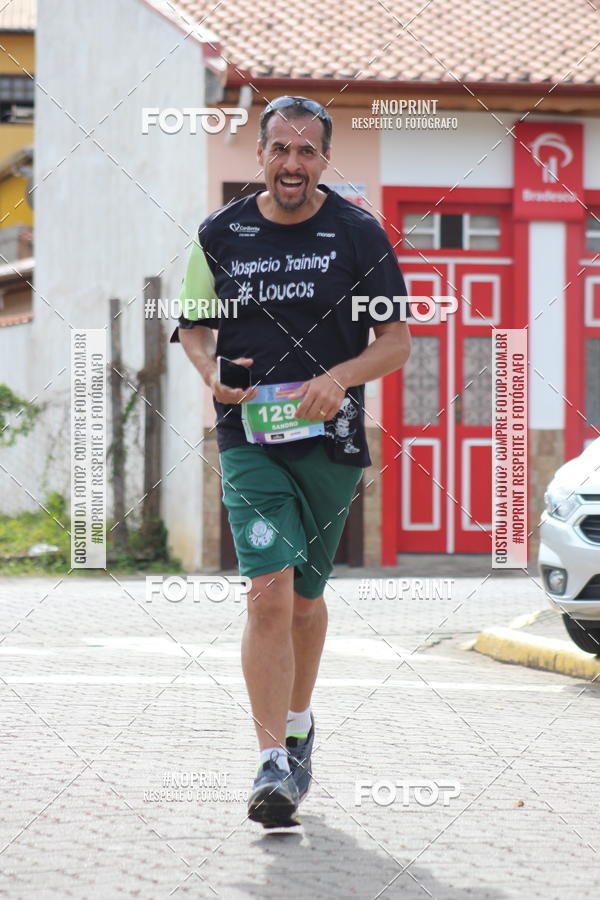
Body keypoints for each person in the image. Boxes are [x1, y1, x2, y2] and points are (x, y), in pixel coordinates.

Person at [171, 96, 411, 827]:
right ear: (261, 155)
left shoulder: (359, 235)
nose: (293, 165)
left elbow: (396, 343)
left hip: (331, 443)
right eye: (280, 150)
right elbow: (193, 330)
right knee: (268, 593)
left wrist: (339, 377)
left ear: (324, 159)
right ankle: (272, 761)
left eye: (307, 152)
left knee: (307, 599)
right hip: (248, 440)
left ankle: (300, 721)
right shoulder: (221, 234)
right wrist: (211, 375)